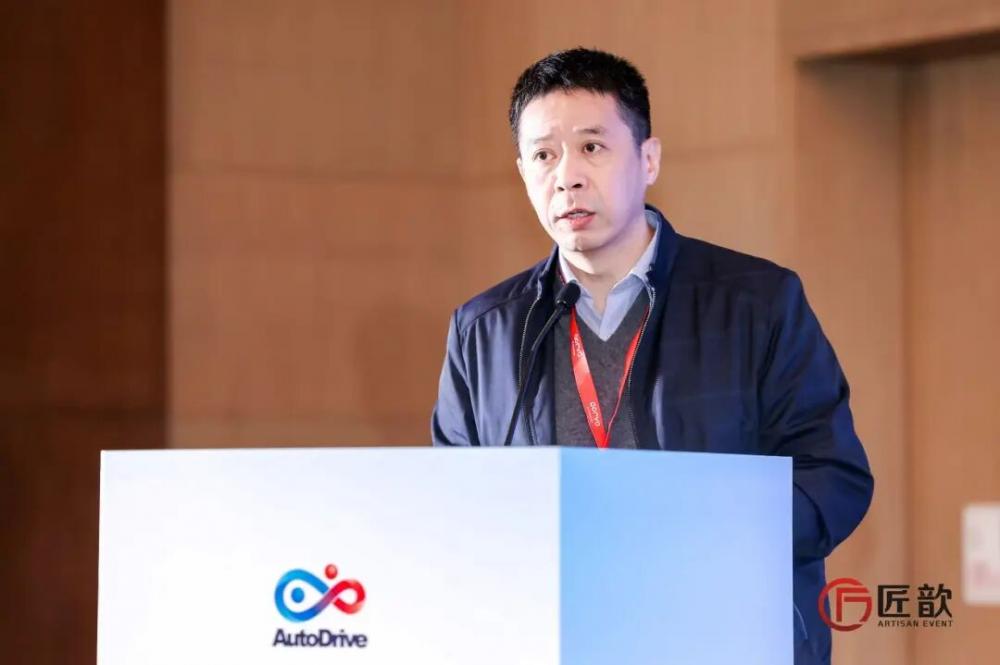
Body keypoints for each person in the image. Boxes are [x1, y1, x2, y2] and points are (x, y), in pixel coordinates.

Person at [431, 47, 873, 664]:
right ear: (523, 172)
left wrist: (698, 535)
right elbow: (453, 508)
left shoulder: (756, 302)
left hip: (720, 641)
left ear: (649, 159)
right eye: (544, 155)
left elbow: (833, 478)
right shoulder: (485, 330)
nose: (567, 176)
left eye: (592, 146)